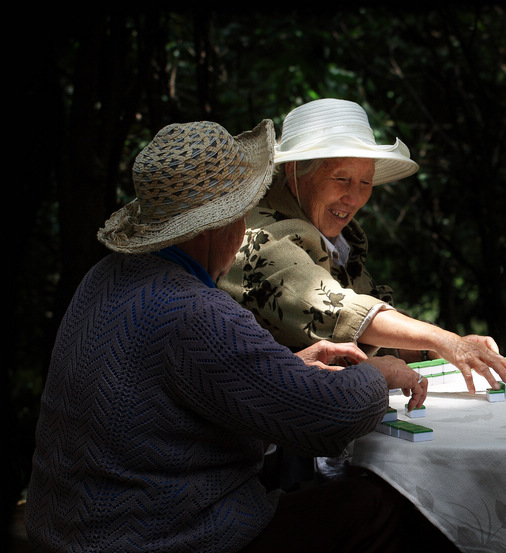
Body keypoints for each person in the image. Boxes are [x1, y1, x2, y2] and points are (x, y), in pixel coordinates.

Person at [24, 120, 452, 553]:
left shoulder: (104, 276)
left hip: (68, 531)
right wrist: (378, 375)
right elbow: (329, 419)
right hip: (159, 538)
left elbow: (187, 390)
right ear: (222, 225)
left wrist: (293, 365)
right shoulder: (194, 310)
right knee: (375, 506)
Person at [220, 98, 506, 394]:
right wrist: (440, 338)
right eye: (341, 179)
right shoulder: (260, 235)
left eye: (365, 182)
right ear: (297, 175)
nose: (354, 198)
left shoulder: (335, 237)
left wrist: (430, 350)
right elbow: (336, 307)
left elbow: (365, 332)